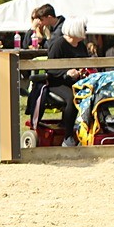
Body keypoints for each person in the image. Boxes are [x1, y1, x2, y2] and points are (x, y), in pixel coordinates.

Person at [46, 17, 91, 147]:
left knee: (95, 92)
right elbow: (49, 69)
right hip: (57, 82)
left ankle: (101, 124)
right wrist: (66, 72)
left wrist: (82, 71)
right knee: (72, 97)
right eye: (84, 28)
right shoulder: (58, 44)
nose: (86, 30)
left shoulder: (81, 46)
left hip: (77, 82)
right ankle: (67, 136)